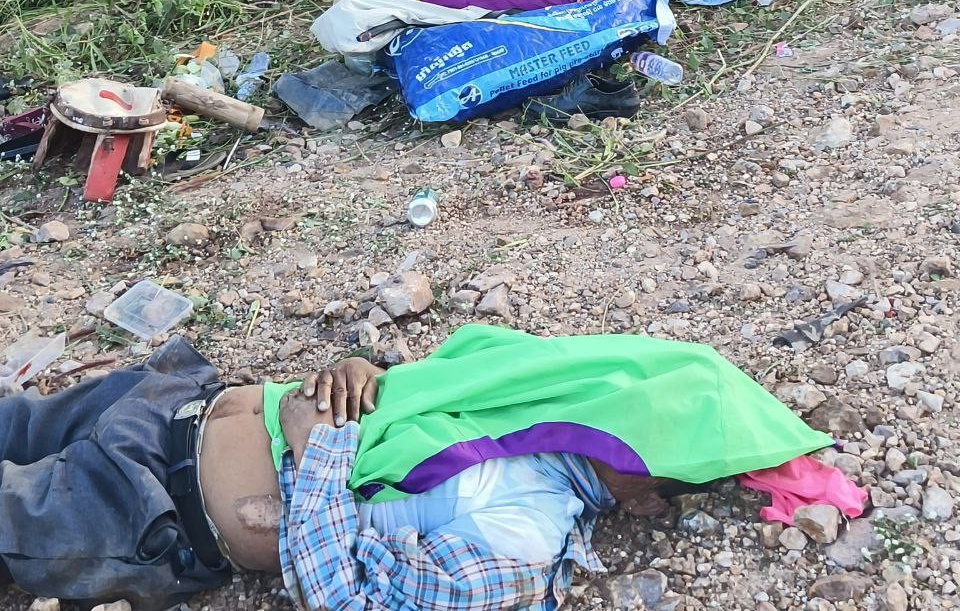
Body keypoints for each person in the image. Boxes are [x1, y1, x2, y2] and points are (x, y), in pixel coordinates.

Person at [0, 325, 841, 610]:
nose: (613, 409)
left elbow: (350, 598)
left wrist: (315, 453)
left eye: (641, 432)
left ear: (649, 499)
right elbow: (415, 388)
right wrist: (363, 370)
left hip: (145, 509)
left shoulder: (524, 538)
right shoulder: (531, 392)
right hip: (166, 402)